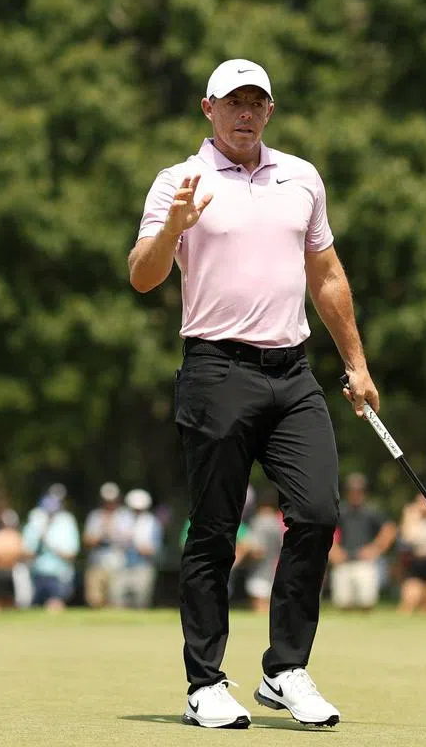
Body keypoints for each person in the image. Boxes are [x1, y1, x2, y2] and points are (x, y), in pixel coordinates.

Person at [129, 58, 379, 728]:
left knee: (319, 511)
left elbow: (324, 272)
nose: (245, 112)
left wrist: (355, 361)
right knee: (214, 532)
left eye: (256, 102)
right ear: (206, 108)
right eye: (232, 101)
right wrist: (175, 227)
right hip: (216, 371)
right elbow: (143, 276)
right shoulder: (178, 182)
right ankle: (204, 682)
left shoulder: (301, 177)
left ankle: (285, 669)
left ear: (269, 110)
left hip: (293, 373)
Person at [330, 473, 397, 613]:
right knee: (343, 603)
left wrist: (375, 549)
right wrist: (333, 550)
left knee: (366, 602)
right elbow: (327, 531)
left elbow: (389, 529)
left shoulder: (372, 511)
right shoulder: (339, 511)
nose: (356, 493)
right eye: (352, 490)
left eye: (359, 490)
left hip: (364, 561)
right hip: (344, 560)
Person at [22, 485, 81, 612]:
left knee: (55, 604)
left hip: (59, 574)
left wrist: (50, 544)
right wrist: (39, 541)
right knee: (34, 608)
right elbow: (26, 552)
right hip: (36, 573)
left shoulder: (67, 520)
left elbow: (71, 553)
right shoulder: (35, 517)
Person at [83, 482, 134, 609]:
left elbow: (129, 540)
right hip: (97, 561)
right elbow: (87, 541)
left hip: (118, 562)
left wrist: (112, 530)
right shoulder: (95, 516)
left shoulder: (125, 516)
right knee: (94, 599)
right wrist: (101, 534)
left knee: (115, 599)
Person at [112, 489, 163, 609]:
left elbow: (155, 549)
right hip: (121, 565)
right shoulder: (121, 519)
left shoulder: (152, 522)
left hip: (143, 566)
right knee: (117, 599)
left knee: (141, 601)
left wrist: (139, 546)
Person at [243, 488, 284, 614]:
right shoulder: (277, 523)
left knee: (260, 609)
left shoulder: (258, 522)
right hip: (273, 572)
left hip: (258, 573)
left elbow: (257, 550)